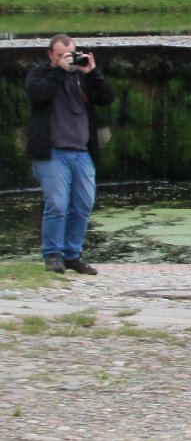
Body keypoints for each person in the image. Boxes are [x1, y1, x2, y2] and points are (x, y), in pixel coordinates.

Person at [26, 34, 117, 275]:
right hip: (52, 153)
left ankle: (72, 255)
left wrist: (93, 73)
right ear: (50, 54)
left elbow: (107, 98)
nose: (67, 59)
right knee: (57, 205)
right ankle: (53, 255)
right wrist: (59, 71)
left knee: (83, 204)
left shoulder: (82, 76)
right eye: (61, 55)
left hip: (82, 152)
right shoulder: (40, 73)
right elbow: (37, 95)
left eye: (71, 54)